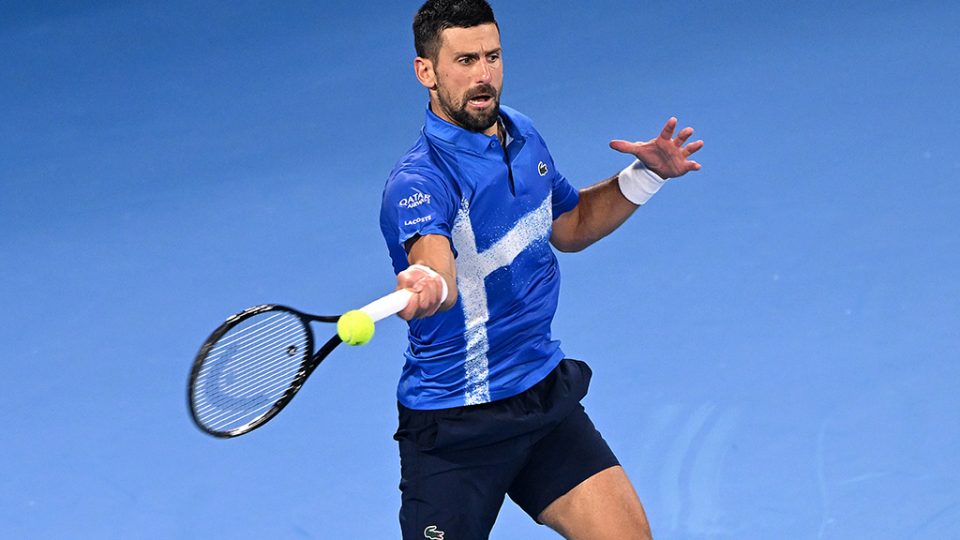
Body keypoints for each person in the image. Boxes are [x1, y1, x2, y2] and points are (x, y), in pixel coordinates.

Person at [379, 1, 703, 538]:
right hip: (457, 424)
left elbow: (570, 224)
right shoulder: (420, 181)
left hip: (539, 394)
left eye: (493, 56)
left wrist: (646, 176)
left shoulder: (522, 134)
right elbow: (433, 259)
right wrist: (428, 283)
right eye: (464, 61)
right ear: (426, 72)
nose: (484, 76)